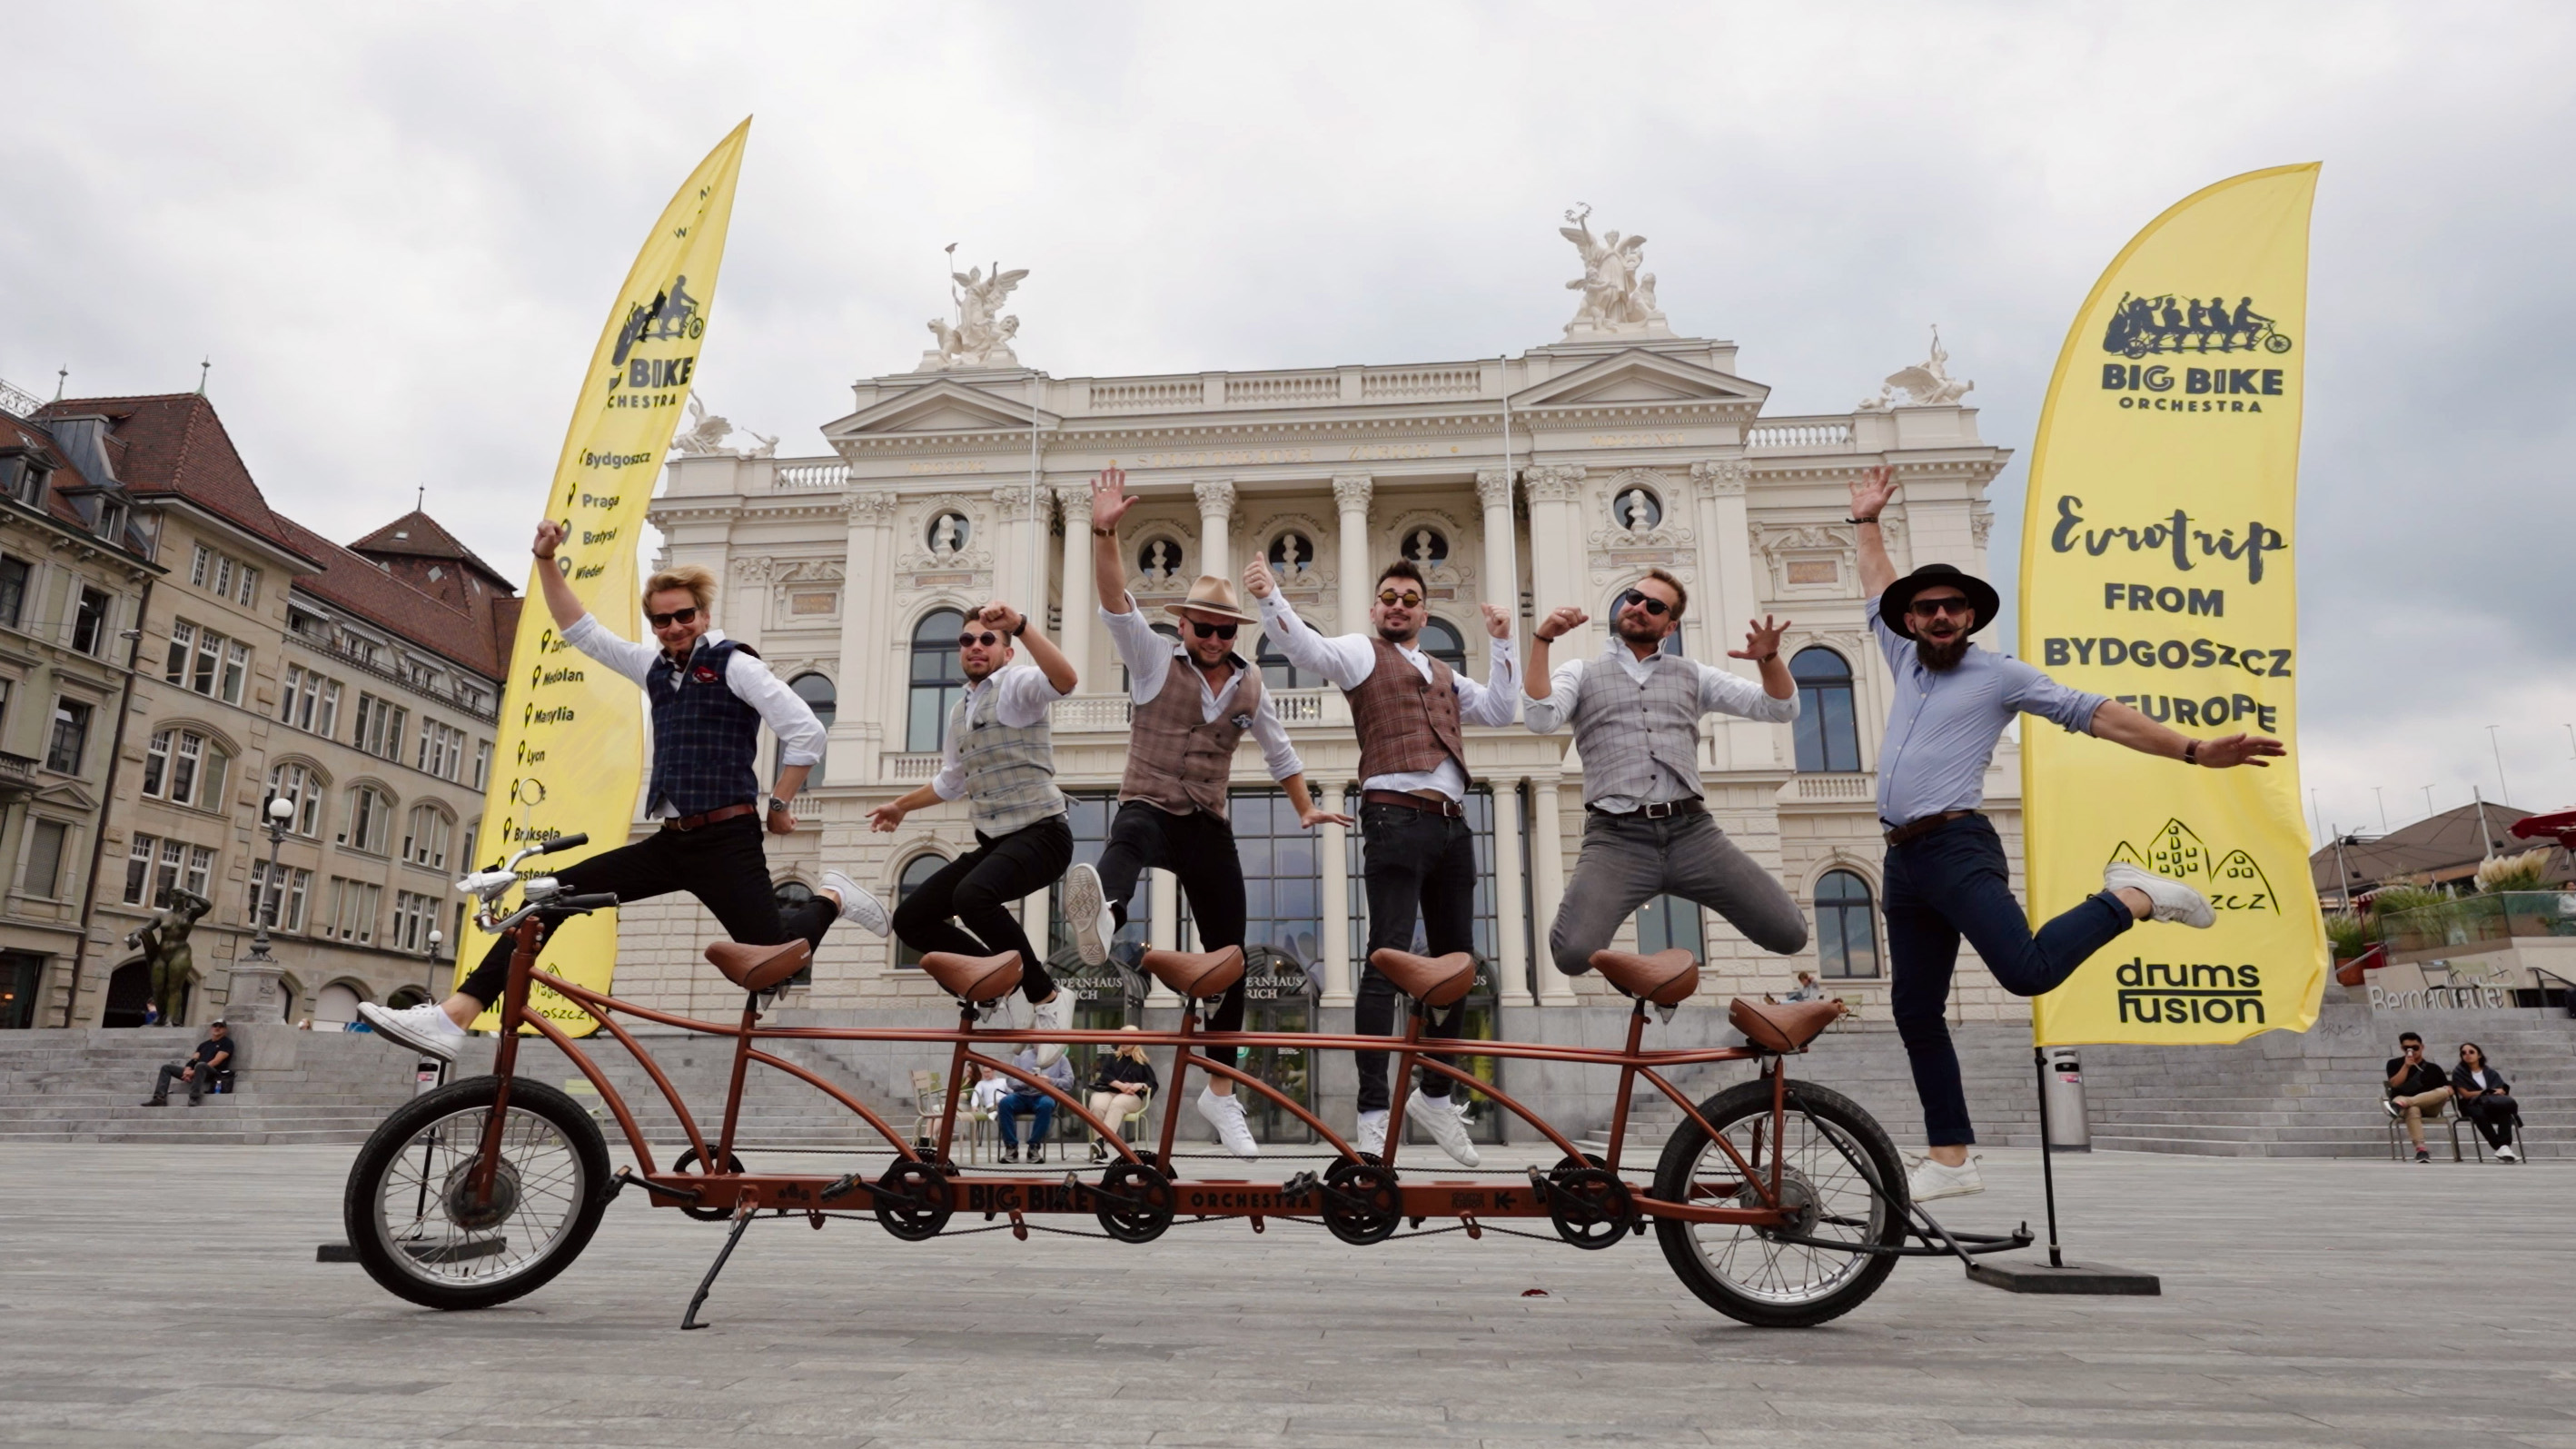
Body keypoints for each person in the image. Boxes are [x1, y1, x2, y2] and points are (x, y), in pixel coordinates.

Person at [1845, 466, 2284, 1202]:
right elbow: (1875, 578)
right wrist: (1866, 522)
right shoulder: (1900, 657)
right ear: (1911, 620)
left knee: (2026, 971)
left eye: (1954, 606)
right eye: (1927, 608)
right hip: (1902, 860)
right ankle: (1951, 1158)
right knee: (1915, 1010)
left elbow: (2098, 711)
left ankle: (2134, 896)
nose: (1941, 616)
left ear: (1971, 618)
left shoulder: (1999, 675)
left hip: (1956, 846)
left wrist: (2194, 749)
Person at [361, 523, 891, 1060]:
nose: (675, 626)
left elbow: (807, 732)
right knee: (551, 893)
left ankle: (832, 897)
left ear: (704, 616)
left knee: (774, 963)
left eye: (685, 615)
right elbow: (582, 632)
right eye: (663, 619)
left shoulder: (735, 664)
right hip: (671, 842)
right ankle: (458, 1014)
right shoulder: (652, 667)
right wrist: (545, 560)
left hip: (727, 839)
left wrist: (778, 804)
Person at [1063, 465, 1348, 1161]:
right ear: (1183, 625)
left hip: (1207, 824)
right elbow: (1113, 601)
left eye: (1225, 631)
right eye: (1205, 628)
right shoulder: (1154, 659)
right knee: (1127, 832)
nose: (1216, 640)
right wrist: (1104, 530)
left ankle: (1220, 1095)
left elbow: (1281, 755)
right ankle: (1104, 914)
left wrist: (1307, 810)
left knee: (1231, 959)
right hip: (1150, 802)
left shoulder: (1252, 683)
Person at [1244, 551, 1520, 1166]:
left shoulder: (1447, 675)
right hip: (1394, 814)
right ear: (1376, 608)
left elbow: (1503, 710)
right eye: (1389, 596)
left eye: (1410, 598)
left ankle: (1436, 1094)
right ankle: (1372, 1112)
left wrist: (1503, 642)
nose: (1398, 605)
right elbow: (1305, 651)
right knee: (1387, 957)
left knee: (1459, 967)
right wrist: (1270, 598)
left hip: (1452, 825)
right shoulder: (1362, 652)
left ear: (1425, 610)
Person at [1523, 571, 1810, 983]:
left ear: (1670, 626)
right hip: (1617, 838)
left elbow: (1781, 709)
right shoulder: (1581, 673)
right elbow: (1539, 718)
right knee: (1572, 954)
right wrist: (1542, 641)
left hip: (1693, 833)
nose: (1639, 608)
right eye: (1634, 597)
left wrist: (1769, 659)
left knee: (1790, 934)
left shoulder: (1694, 675)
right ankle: (1643, 979)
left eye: (1654, 606)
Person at [872, 599, 1082, 1066]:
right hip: (999, 841)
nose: (976, 646)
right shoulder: (959, 711)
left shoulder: (1018, 686)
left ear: (1006, 652)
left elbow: (1066, 680)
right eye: (967, 640)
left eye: (988, 640)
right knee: (912, 919)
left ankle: (1047, 997)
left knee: (972, 897)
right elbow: (952, 779)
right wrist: (900, 806)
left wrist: (1022, 627)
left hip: (1044, 833)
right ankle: (993, 984)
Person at [1085, 1027, 1160, 1162]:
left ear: (1135, 1041)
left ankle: (1101, 1142)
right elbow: (1106, 1075)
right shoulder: (1112, 1057)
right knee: (1097, 1105)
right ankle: (1101, 1151)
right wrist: (1121, 1086)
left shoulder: (1142, 1062)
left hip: (1131, 1097)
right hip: (1109, 1091)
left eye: (1127, 1039)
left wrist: (1139, 1085)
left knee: (1117, 1104)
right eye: (1122, 1038)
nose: (1123, 1042)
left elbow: (1152, 1083)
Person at [996, 1044, 1075, 1164]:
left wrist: (1050, 1081)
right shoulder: (1021, 1057)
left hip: (1045, 1095)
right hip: (1022, 1095)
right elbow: (1010, 1081)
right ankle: (1011, 1147)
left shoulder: (1060, 1058)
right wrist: (1027, 1081)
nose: (1040, 1044)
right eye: (1037, 1041)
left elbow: (1069, 1082)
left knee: (1046, 1104)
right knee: (1004, 1103)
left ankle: (1034, 1147)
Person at [2383, 1031, 2454, 1163]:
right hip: (2406, 1106)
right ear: (2402, 1049)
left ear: (2422, 1047)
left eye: (2415, 1048)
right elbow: (2394, 1084)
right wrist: (2406, 1066)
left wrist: (2448, 1090)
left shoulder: (2433, 1068)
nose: (2412, 1051)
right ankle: (2421, 1150)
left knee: (2444, 1091)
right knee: (2413, 1109)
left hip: (2428, 1106)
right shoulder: (2394, 1064)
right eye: (2407, 1048)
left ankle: (2403, 1103)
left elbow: (2448, 1090)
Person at [2450, 1042, 2522, 1163]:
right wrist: (2487, 1092)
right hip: (2470, 1104)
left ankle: (2504, 1148)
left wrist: (2495, 1092)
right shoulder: (2459, 1073)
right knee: (2479, 1114)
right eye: (2463, 1053)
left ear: (2479, 1055)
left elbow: (2501, 1090)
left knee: (2504, 1112)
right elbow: (2466, 1094)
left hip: (2491, 1104)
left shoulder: (2490, 1072)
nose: (2467, 1054)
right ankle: (2501, 1147)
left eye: (2471, 1052)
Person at [143, 1019, 232, 1106]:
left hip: (213, 1073)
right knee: (166, 1068)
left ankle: (194, 1098)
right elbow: (193, 1060)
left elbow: (216, 1061)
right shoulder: (204, 1044)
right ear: (211, 1028)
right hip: (197, 1071)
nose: (217, 1028)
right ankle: (159, 1098)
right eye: (215, 1026)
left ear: (225, 1029)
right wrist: (187, 1071)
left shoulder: (227, 1043)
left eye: (221, 1026)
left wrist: (193, 1072)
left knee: (201, 1065)